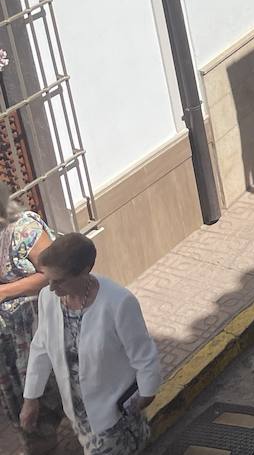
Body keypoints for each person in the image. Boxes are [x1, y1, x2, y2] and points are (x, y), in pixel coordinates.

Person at [21, 234, 161, 455]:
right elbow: (41, 348)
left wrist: (146, 395)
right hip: (79, 415)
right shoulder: (48, 298)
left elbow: (144, 356)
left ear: (85, 271)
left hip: (114, 415)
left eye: (59, 281)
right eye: (49, 280)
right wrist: (31, 399)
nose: (52, 288)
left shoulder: (119, 303)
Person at [0, 186, 62, 455]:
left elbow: (54, 272)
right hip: (8, 345)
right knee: (25, 413)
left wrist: (4, 292)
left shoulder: (25, 229)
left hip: (37, 329)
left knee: (55, 393)